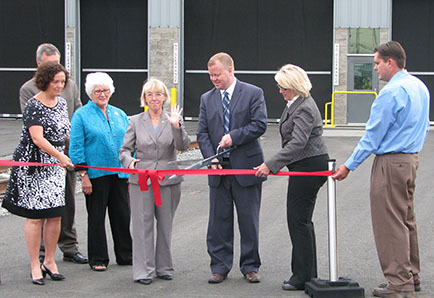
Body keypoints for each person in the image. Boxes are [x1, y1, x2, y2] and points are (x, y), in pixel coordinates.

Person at [332, 41, 430, 297]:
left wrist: (348, 166)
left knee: (390, 223)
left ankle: (399, 283)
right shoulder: (419, 86)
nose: (374, 68)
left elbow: (372, 138)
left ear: (390, 62)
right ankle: (411, 276)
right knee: (406, 219)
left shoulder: (391, 93)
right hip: (410, 159)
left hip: (391, 162)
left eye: (377, 63)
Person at [255, 64, 329, 291]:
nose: (279, 91)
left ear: (294, 87)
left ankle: (303, 276)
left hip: (309, 166)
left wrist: (270, 164)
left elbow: (298, 143)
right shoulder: (296, 104)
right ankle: (306, 273)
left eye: (283, 87)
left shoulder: (304, 107)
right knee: (300, 221)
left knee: (298, 221)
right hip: (303, 165)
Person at [196, 52, 267, 284]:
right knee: (218, 222)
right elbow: (202, 133)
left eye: (217, 75)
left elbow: (259, 125)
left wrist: (233, 138)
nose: (214, 79)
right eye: (211, 76)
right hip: (219, 171)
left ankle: (250, 266)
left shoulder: (253, 93)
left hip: (246, 168)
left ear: (230, 70)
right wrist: (211, 158)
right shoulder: (207, 99)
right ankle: (219, 267)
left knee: (248, 221)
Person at [2, 62, 74, 285]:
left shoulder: (61, 104)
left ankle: (50, 261)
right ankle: (35, 263)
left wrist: (72, 151)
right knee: (35, 217)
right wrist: (60, 156)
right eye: (56, 82)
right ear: (45, 81)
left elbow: (66, 131)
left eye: (63, 82)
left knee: (55, 214)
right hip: (34, 165)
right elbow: (37, 138)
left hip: (54, 167)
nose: (60, 86)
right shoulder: (34, 105)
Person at [19, 43, 87, 265]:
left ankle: (69, 246)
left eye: (58, 65)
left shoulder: (70, 86)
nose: (58, 81)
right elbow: (35, 131)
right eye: (50, 66)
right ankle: (40, 252)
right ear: (39, 64)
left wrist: (74, 147)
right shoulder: (29, 90)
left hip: (66, 155)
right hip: (42, 159)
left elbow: (78, 114)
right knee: (40, 208)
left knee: (66, 203)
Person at [119, 78, 190, 285]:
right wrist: (129, 161)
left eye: (158, 94)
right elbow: (124, 150)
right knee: (142, 225)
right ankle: (143, 271)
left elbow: (183, 146)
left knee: (165, 225)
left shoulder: (174, 119)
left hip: (168, 180)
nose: (154, 98)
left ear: (164, 97)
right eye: (149, 94)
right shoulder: (135, 120)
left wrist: (177, 126)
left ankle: (164, 267)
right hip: (142, 179)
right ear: (144, 98)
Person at [69, 72, 132, 272]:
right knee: (96, 217)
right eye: (98, 91)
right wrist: (83, 174)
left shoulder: (119, 113)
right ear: (90, 93)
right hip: (95, 176)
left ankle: (126, 255)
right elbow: (76, 146)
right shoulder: (81, 115)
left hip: (120, 173)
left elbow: (130, 143)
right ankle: (98, 258)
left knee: (122, 215)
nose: (102, 94)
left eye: (105, 90)